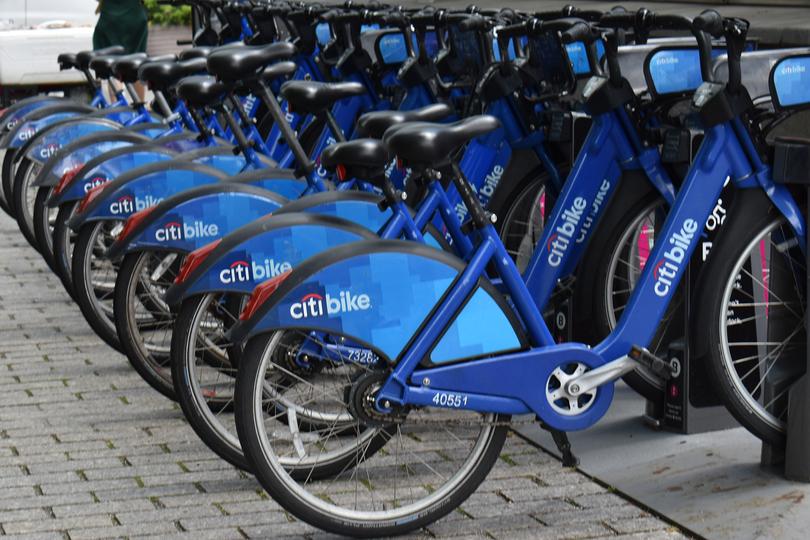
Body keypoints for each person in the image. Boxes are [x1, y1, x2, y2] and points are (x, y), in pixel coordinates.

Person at [93, 0, 148, 100]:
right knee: (137, 65)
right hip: (134, 17)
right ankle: (140, 106)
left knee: (113, 67)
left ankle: (117, 106)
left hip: (110, 18)